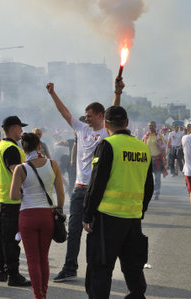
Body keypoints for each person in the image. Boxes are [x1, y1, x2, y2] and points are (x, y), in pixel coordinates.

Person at [46, 77, 124, 282]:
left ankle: (98, 269)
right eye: (86, 116)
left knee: (97, 233)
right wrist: (53, 93)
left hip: (99, 191)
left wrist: (117, 94)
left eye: (90, 116)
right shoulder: (81, 129)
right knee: (73, 231)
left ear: (100, 115)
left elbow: (114, 111)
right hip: (80, 189)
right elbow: (65, 113)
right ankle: (70, 267)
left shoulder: (107, 131)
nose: (86, 119)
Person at [82, 106, 153, 298]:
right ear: (127, 123)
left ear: (106, 124)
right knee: (134, 270)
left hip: (107, 219)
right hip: (133, 219)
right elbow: (149, 187)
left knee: (100, 269)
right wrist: (139, 209)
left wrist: (87, 214)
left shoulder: (107, 145)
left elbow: (96, 184)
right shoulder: (143, 147)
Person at [10, 132, 65, 299]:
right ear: (39, 146)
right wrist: (59, 209)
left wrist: (23, 193)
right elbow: (60, 193)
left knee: (32, 260)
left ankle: (38, 296)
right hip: (47, 215)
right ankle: (44, 293)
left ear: (23, 149)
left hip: (27, 216)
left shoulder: (20, 168)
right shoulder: (53, 164)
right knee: (43, 258)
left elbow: (13, 196)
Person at [0, 115, 31, 286]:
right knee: (11, 240)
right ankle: (13, 275)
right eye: (20, 128)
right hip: (13, 201)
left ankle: (2, 270)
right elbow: (16, 171)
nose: (21, 131)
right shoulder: (11, 148)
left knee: (0, 237)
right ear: (13, 128)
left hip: (2, 199)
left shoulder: (0, 146)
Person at [142, 121, 167, 200]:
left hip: (157, 159)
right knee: (147, 178)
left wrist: (164, 158)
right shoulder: (145, 136)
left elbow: (163, 148)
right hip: (148, 160)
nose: (150, 127)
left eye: (152, 125)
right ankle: (148, 192)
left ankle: (156, 192)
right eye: (149, 126)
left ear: (155, 126)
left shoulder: (159, 136)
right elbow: (142, 146)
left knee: (157, 177)